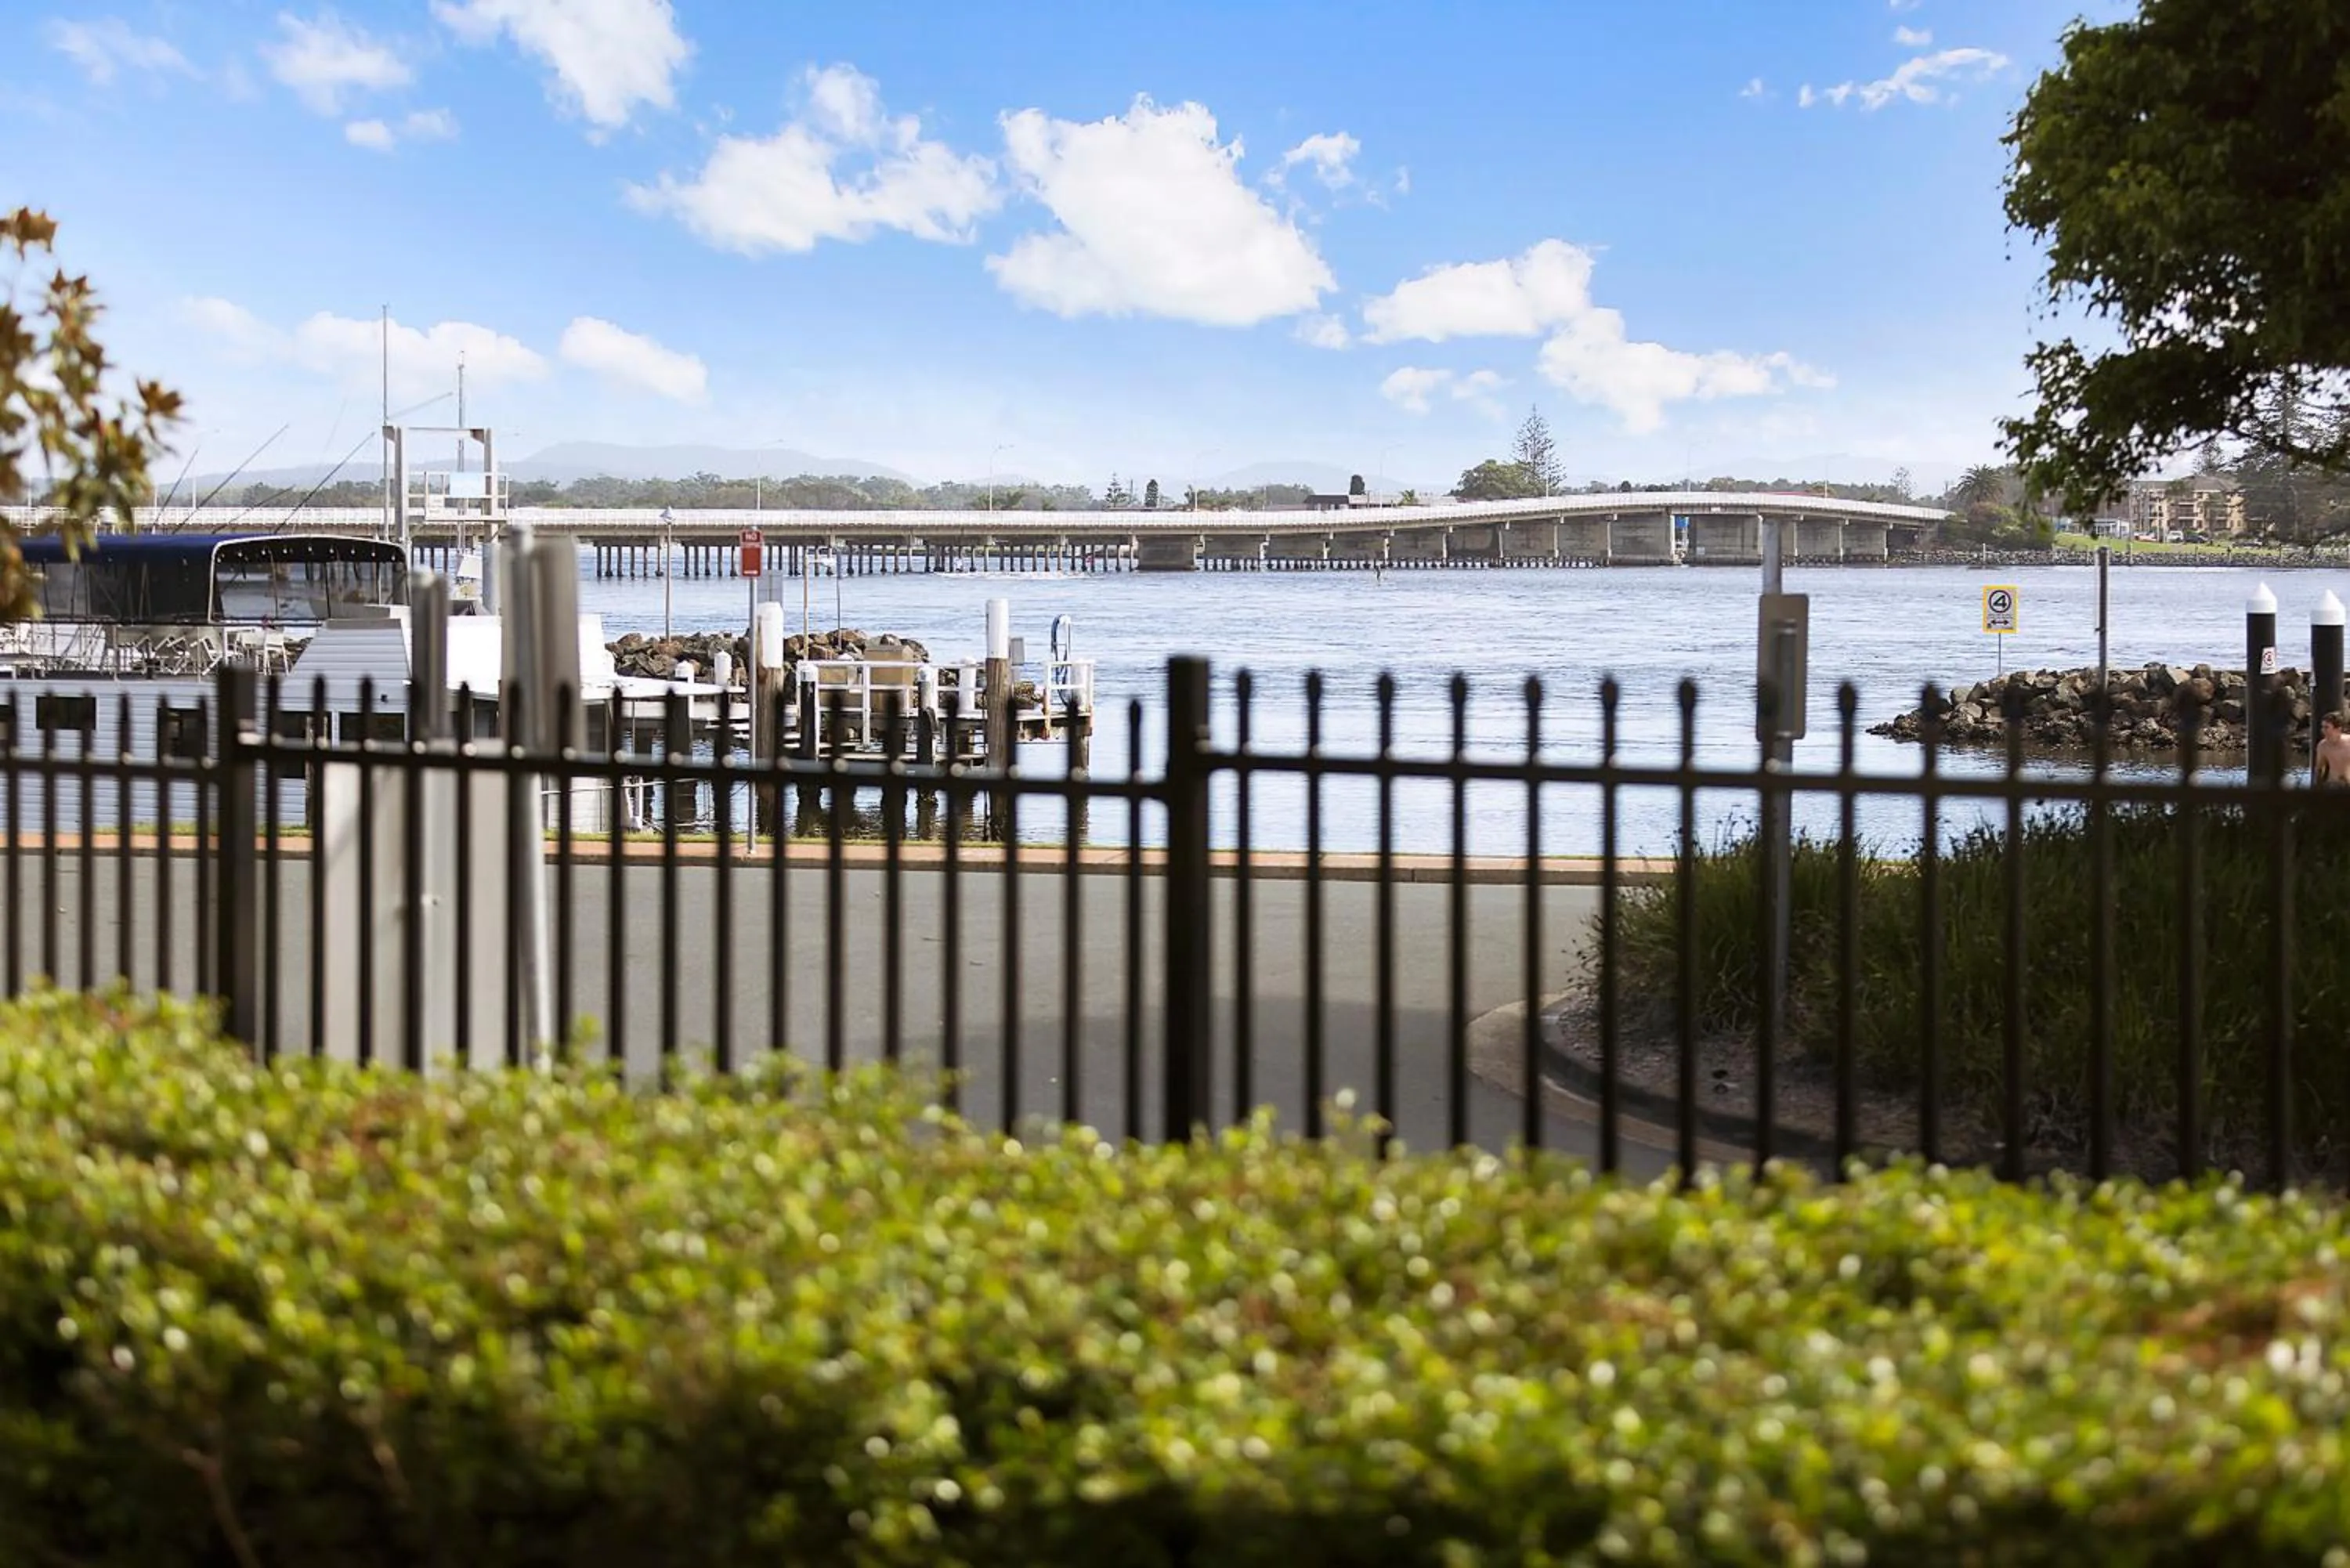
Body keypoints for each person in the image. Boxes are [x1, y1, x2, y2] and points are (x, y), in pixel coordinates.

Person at [2315, 712, 2350, 787]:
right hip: (2333, 785)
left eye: (2326, 727)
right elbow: (2319, 770)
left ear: (2338, 729)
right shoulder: (2323, 746)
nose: (2323, 730)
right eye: (2322, 727)